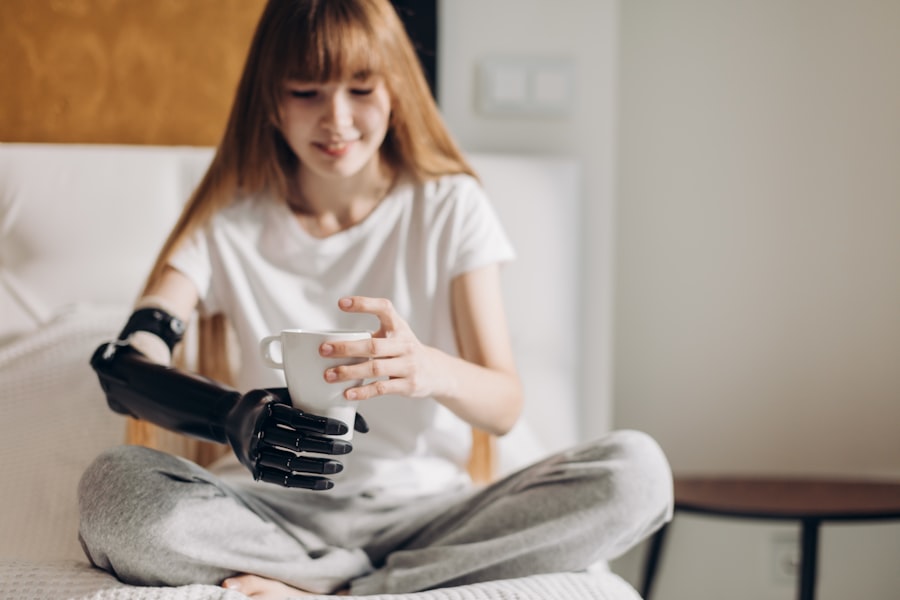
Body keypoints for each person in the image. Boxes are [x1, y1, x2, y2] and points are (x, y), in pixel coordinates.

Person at [77, 0, 673, 598]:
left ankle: (336, 588)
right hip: (270, 513)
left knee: (638, 473)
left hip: (423, 517)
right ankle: (353, 582)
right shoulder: (225, 222)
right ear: (271, 102)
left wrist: (430, 369)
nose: (336, 119)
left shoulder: (449, 207)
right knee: (111, 489)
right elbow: (124, 368)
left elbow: (505, 406)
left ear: (396, 91)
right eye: (306, 91)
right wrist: (235, 416)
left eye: (361, 88)